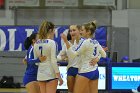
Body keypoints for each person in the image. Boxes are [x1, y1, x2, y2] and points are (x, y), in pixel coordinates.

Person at [61, 20, 106, 93]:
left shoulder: (85, 42)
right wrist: (97, 58)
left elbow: (73, 55)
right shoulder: (96, 42)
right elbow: (104, 54)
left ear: (88, 32)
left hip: (85, 71)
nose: (81, 32)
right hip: (95, 71)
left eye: (82, 30)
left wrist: (66, 42)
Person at [33, 20, 63, 93]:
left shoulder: (36, 43)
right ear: (50, 30)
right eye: (53, 30)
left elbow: (36, 62)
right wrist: (59, 77)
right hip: (51, 74)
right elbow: (53, 61)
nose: (54, 32)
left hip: (41, 74)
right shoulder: (52, 43)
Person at [57, 25, 81, 93]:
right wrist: (62, 58)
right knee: (70, 91)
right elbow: (59, 57)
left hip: (81, 70)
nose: (72, 32)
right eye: (70, 31)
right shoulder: (66, 44)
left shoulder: (83, 43)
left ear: (79, 31)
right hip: (71, 69)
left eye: (74, 30)